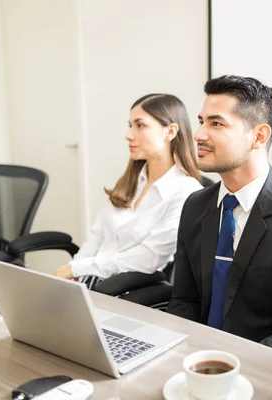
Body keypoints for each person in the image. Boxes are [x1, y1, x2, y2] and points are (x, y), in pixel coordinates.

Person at [167, 75, 272, 353]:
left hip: (257, 372)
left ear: (259, 136)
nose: (198, 134)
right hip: (193, 360)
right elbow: (184, 301)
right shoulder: (195, 206)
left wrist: (224, 369)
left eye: (216, 123)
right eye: (201, 121)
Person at [54, 94, 202, 288]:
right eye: (130, 125)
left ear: (170, 132)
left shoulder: (186, 192)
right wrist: (71, 274)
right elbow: (97, 236)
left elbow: (150, 257)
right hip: (89, 278)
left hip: (124, 289)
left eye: (140, 125)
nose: (128, 134)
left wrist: (77, 269)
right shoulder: (132, 181)